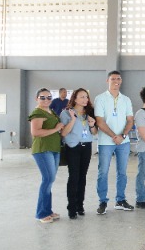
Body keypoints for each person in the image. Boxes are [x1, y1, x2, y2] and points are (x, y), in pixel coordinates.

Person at [94, 71, 135, 215]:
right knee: (103, 172)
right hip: (106, 142)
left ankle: (120, 200)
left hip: (124, 142)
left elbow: (130, 120)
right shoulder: (100, 99)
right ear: (107, 81)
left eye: (118, 78)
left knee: (122, 172)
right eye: (113, 79)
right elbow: (100, 121)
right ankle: (102, 201)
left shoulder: (126, 100)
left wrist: (122, 136)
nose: (116, 81)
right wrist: (114, 136)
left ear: (121, 81)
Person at [60, 88, 97, 219]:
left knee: (82, 177)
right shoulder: (66, 113)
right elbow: (63, 133)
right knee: (74, 177)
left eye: (86, 97)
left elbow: (94, 132)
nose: (85, 99)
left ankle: (80, 205)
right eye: (82, 97)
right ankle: (71, 207)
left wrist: (92, 125)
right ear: (74, 99)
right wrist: (72, 120)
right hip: (73, 147)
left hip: (86, 147)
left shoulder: (89, 112)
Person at [29, 88, 64, 223]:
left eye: (49, 97)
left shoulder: (51, 111)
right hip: (43, 149)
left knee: (50, 180)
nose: (46, 100)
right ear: (36, 99)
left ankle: (48, 210)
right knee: (48, 179)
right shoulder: (37, 112)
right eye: (42, 97)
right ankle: (41, 213)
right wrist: (56, 129)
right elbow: (36, 132)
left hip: (54, 148)